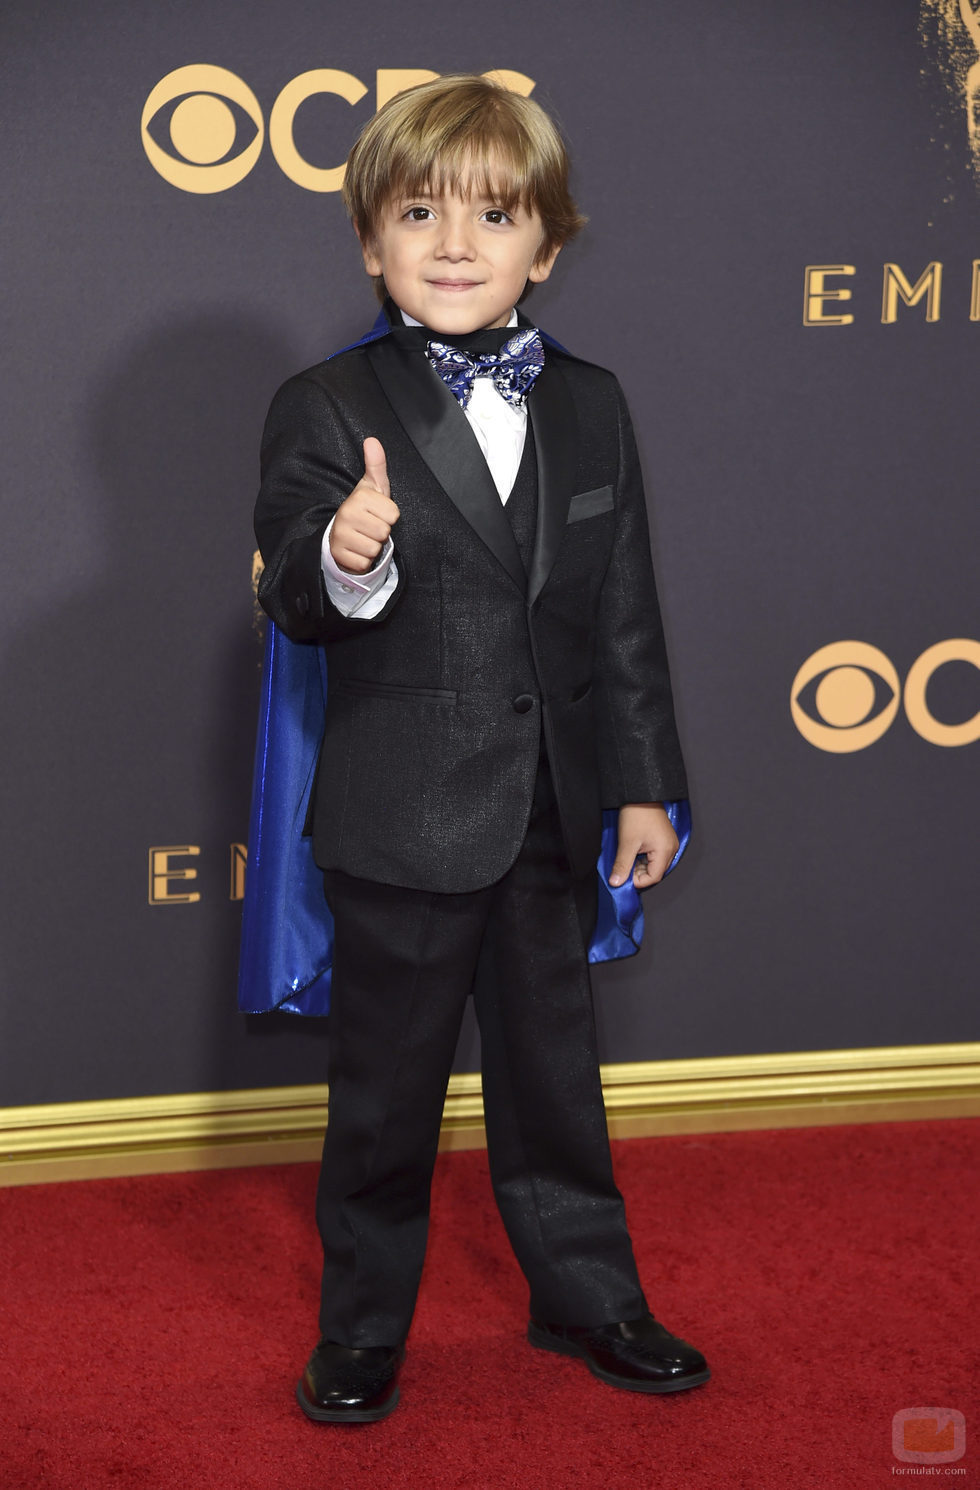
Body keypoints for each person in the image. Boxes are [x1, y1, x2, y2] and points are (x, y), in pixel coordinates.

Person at [251, 73, 709, 1424]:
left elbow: (623, 611)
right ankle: (360, 1331)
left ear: (546, 247)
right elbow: (294, 591)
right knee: (385, 1098)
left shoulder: (594, 403)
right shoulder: (324, 402)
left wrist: (644, 784)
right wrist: (344, 554)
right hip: (401, 813)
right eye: (418, 214)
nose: (455, 244)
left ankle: (588, 1297)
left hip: (556, 811)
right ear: (368, 241)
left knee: (557, 1082)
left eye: (495, 216)